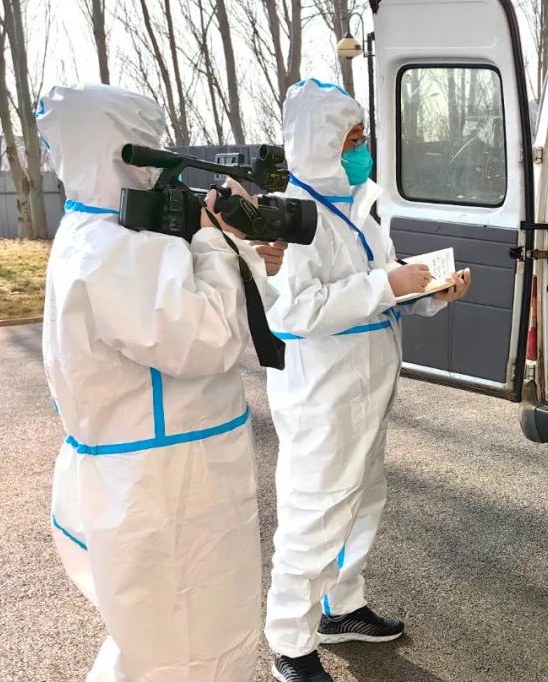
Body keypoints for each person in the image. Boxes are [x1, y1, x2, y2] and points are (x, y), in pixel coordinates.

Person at [40, 83, 284, 680]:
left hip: (162, 476)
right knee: (185, 645)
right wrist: (219, 244)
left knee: (157, 642)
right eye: (151, 146)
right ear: (122, 149)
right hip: (169, 488)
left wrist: (239, 253)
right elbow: (208, 336)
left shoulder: (101, 234)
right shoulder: (114, 252)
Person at [264, 79, 471, 682]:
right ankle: (290, 644)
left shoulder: (355, 205)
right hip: (323, 394)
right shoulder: (290, 216)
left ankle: (342, 607)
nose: (361, 150)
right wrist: (388, 284)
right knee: (314, 513)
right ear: (318, 143)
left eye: (361, 137)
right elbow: (294, 310)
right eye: (350, 140)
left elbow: (382, 283)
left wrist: (428, 291)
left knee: (361, 501)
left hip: (366, 389)